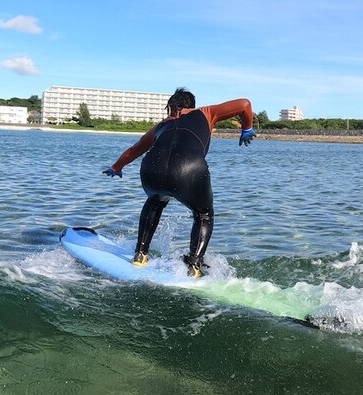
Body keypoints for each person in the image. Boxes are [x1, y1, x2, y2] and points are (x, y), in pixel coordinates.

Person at [103, 88, 255, 277]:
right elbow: (244, 105)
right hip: (188, 171)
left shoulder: (161, 126)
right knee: (203, 214)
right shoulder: (206, 113)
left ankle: (140, 254)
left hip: (151, 170)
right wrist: (247, 127)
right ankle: (194, 266)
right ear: (191, 106)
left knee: (155, 200)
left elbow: (133, 151)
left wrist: (116, 167)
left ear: (170, 109)